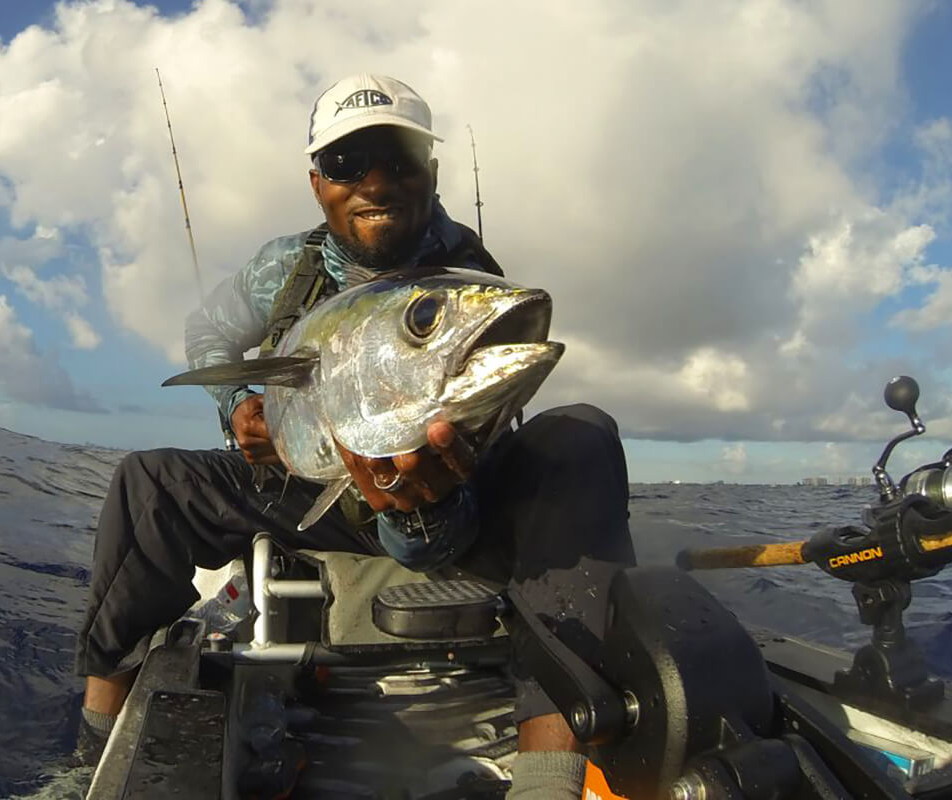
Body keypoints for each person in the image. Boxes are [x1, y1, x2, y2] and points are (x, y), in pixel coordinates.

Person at [74, 74, 636, 797]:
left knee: (582, 439)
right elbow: (208, 331)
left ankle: (550, 778)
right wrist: (240, 406)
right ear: (317, 183)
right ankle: (93, 748)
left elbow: (436, 530)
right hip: (304, 480)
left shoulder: (469, 283)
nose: (376, 181)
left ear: (429, 175)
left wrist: (415, 506)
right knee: (147, 485)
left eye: (399, 159)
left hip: (443, 499)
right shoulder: (285, 266)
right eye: (347, 164)